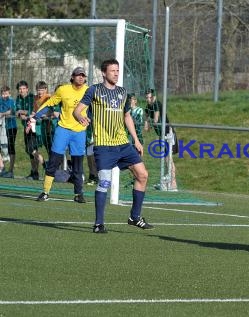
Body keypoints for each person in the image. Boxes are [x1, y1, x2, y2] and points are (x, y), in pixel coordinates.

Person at [73, 58, 153, 233]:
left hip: (123, 144)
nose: (116, 74)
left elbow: (126, 117)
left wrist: (136, 140)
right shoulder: (94, 90)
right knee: (104, 182)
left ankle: (134, 216)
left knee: (143, 175)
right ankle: (98, 223)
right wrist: (80, 117)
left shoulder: (123, 92)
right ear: (104, 73)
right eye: (112, 71)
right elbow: (77, 110)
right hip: (103, 146)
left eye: (118, 71)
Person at [32, 67, 89, 203]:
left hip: (79, 132)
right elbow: (50, 104)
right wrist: (36, 116)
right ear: (72, 77)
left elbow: (94, 107)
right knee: (53, 161)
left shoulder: (89, 90)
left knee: (77, 164)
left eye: (83, 75)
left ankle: (78, 194)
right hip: (63, 130)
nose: (81, 77)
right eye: (78, 75)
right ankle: (45, 192)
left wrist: (91, 118)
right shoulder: (63, 89)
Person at [144, 88, 177, 191]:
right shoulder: (148, 107)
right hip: (161, 135)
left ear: (154, 97)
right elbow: (146, 122)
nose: (148, 100)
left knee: (168, 158)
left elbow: (156, 118)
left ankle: (173, 183)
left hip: (168, 134)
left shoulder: (157, 104)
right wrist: (146, 123)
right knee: (165, 158)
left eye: (150, 97)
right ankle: (166, 182)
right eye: (146, 98)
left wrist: (152, 121)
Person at [15, 80, 44, 180]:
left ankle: (45, 165)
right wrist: (20, 114)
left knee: (31, 149)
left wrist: (23, 113)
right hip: (26, 127)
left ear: (27, 89)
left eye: (24, 88)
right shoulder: (18, 98)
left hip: (34, 127)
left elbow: (32, 111)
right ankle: (34, 172)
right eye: (20, 89)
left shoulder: (32, 97)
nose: (22, 90)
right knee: (30, 150)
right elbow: (16, 112)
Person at [0, 86, 17, 178]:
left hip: (11, 127)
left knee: (11, 147)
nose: (4, 95)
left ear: (9, 94)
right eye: (3, 94)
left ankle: (11, 170)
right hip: (1, 126)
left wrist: (2, 114)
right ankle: (2, 167)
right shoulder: (0, 100)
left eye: (6, 93)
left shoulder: (11, 101)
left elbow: (11, 111)